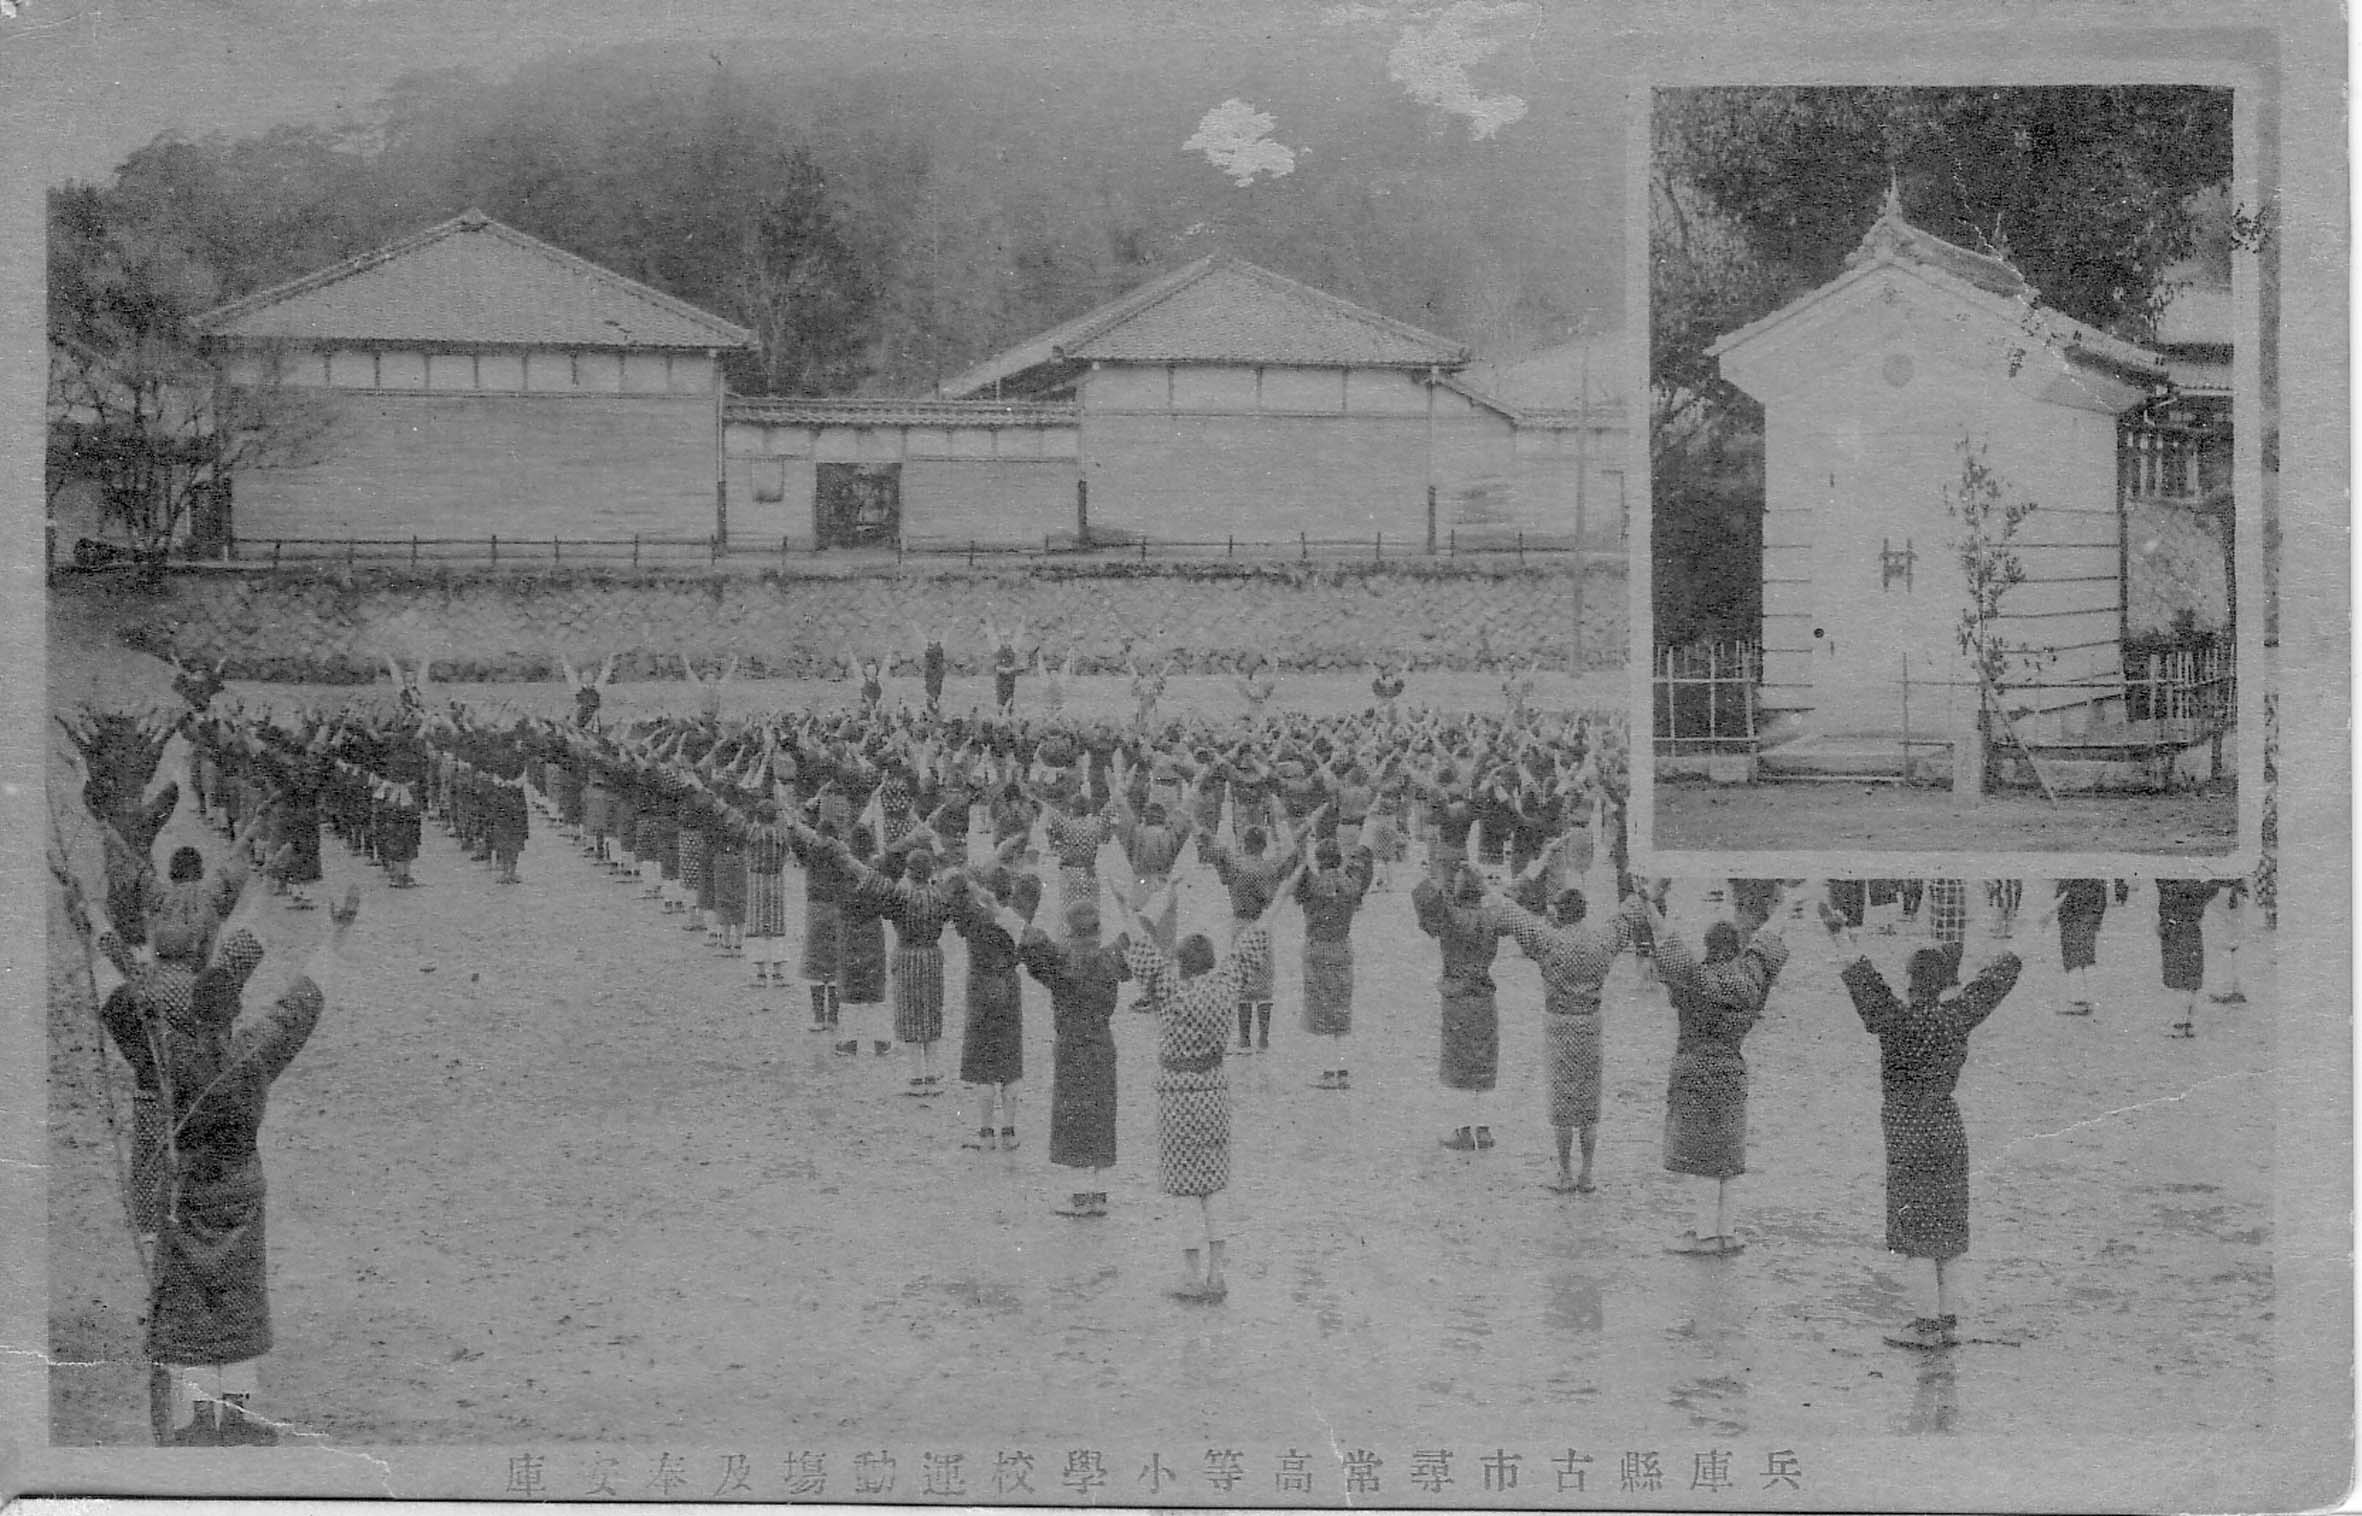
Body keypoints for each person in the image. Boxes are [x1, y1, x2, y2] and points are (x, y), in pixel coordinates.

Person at [87, 875, 362, 1445]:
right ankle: (238, 1415)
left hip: (187, 1195)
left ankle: (196, 1419)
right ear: (234, 1011)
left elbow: (118, 1009)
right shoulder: (252, 1054)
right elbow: (302, 1002)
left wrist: (90, 933)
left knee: (189, 1307)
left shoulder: (166, 1059)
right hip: (241, 1194)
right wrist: (336, 933)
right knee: (238, 1302)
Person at [1823, 904, 2022, 1350]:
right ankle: (1947, 1320)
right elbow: (1996, 980)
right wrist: (2034, 929)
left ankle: (1925, 1325)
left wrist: (1839, 932)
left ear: (1910, 980)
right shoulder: (1957, 1017)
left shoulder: (1893, 1020)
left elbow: (1861, 977)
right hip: (1949, 1128)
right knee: (1948, 1231)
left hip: (1906, 1133)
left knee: (1914, 1235)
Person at [1120, 871, 1294, 1304]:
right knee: (1213, 1187)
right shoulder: (1225, 985)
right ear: (1212, 962)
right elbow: (1257, 936)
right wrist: (1285, 889)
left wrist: (1123, 905)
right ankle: (1217, 1273)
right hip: (1214, 1093)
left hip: (1176, 1097)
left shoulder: (1168, 990)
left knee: (1184, 1190)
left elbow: (1140, 947)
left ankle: (1191, 1274)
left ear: (1181, 964)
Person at [1642, 884, 1790, 1255]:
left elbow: (1667, 942)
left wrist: (1648, 904)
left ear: (1708, 947)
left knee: (1701, 1157)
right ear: (1736, 949)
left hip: (1693, 1069)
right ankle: (1726, 1231)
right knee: (1726, 1155)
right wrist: (1791, 905)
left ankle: (1705, 1234)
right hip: (1731, 1068)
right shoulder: (1750, 979)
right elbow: (1769, 941)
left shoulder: (1694, 978)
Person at [1484, 867, 1639, 1193]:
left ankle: (1565, 1173)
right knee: (1588, 1104)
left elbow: (1513, 914)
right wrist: (1643, 892)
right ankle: (1588, 1173)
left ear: (1559, 913)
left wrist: (1491, 885)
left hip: (1559, 1024)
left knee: (1562, 1103)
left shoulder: (1548, 940)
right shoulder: (1601, 941)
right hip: (1590, 1024)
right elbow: (1625, 919)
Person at [1018, 899, 1132, 1219]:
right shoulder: (1111, 958)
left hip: (1071, 1045)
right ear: (1098, 930)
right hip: (1102, 1043)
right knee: (1101, 1116)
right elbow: (1138, 930)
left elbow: (1027, 936)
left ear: (1069, 931)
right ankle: (1099, 1193)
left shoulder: (1060, 961)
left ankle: (1080, 1196)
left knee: (1074, 1119)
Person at [1412, 860, 1515, 1151]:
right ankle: (1484, 1129)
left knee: (1458, 1065)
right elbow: (1514, 896)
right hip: (1485, 997)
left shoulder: (1451, 917)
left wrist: (1432, 874)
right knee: (1484, 1064)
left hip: (1457, 998)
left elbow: (1426, 898)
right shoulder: (1492, 917)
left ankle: (1462, 1130)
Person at [953, 869, 1037, 1151]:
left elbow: (954, 890)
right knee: (1010, 1062)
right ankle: (1009, 1131)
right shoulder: (1018, 919)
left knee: (983, 1065)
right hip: (1009, 986)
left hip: (980, 988)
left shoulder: (974, 918)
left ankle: (986, 1132)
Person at [1293, 836, 1374, 1090]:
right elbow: (1362, 866)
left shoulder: (1313, 884)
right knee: (1341, 1010)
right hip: (1342, 947)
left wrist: (1299, 841)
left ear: (1320, 861)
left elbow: (1296, 869)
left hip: (1318, 949)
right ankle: (1342, 1069)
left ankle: (1327, 1071)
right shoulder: (1351, 885)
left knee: (1320, 1011)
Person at [2155, 878, 2222, 1038]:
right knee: (2191, 974)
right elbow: (2212, 887)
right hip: (2192, 924)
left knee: (2177, 974)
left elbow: (2163, 888)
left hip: (2173, 925)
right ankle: (2188, 1021)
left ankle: (2179, 1022)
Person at [2033, 879, 2109, 1015]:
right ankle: (2092, 998)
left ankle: (2078, 1000)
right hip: (2090, 912)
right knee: (2087, 956)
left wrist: (2053, 910)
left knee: (2072, 957)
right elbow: (2102, 893)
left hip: (2071, 913)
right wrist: (2098, 918)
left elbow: (2064, 892)